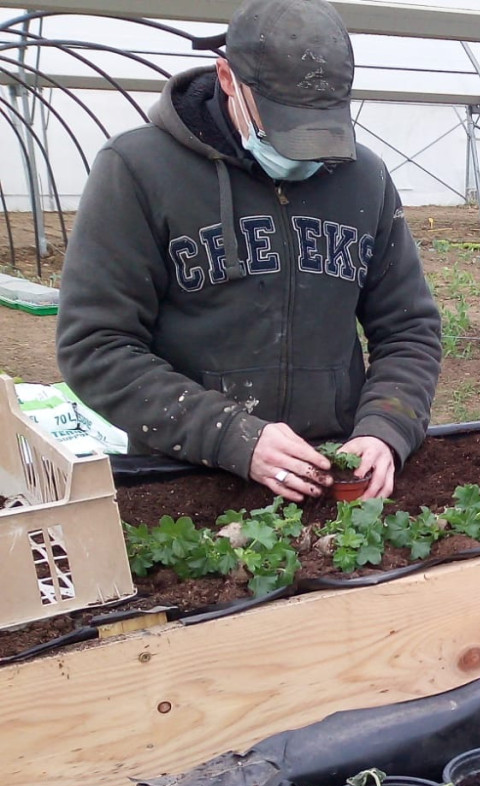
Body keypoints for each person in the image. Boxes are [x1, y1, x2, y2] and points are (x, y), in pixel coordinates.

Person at [56, 0, 441, 501]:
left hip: (330, 477)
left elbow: (409, 328)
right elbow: (96, 345)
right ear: (227, 78)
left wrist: (385, 427)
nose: (303, 146)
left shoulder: (363, 178)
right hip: (186, 480)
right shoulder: (138, 170)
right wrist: (231, 435)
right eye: (285, 123)